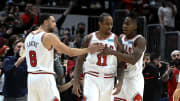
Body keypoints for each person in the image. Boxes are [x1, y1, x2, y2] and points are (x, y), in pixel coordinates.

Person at [24, 14, 104, 101]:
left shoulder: (29, 37)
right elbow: (70, 52)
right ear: (46, 22)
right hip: (44, 77)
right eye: (53, 21)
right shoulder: (48, 36)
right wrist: (89, 49)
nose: (55, 24)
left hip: (31, 78)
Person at [73, 13, 123, 101]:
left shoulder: (116, 39)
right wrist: (76, 82)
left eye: (111, 24)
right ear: (100, 23)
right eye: (107, 24)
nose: (110, 26)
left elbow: (121, 64)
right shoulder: (89, 38)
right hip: (92, 77)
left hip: (109, 79)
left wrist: (120, 82)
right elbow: (79, 60)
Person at [101, 12, 146, 101]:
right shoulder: (120, 38)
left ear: (135, 26)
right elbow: (120, 61)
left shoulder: (140, 40)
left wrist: (112, 52)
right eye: (124, 23)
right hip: (121, 78)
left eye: (128, 24)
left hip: (134, 80)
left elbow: (133, 60)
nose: (124, 26)